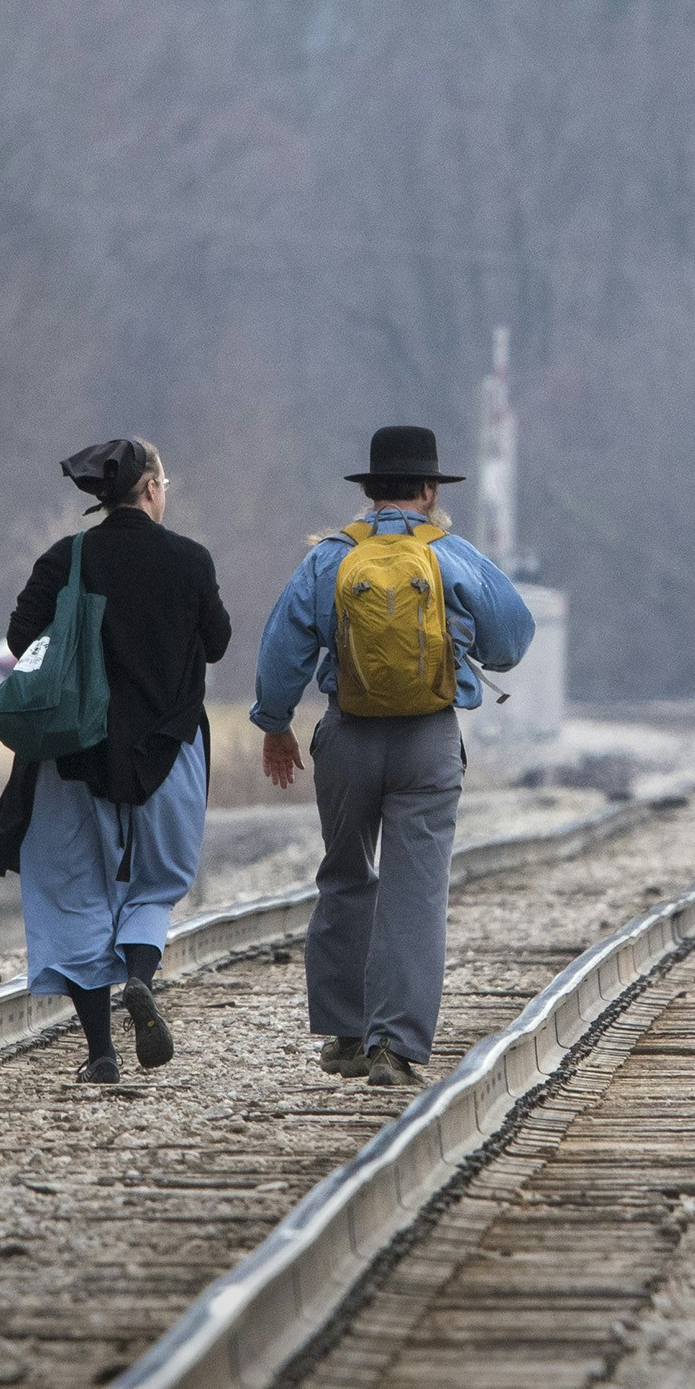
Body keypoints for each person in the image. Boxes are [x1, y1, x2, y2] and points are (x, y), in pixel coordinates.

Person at [252, 425, 534, 1089]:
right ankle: (395, 1046)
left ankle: (347, 1035)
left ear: (370, 490)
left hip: (348, 733)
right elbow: (514, 636)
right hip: (428, 740)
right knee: (415, 891)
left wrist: (274, 724)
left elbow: (281, 650)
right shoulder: (453, 555)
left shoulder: (329, 558)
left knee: (346, 873)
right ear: (430, 491)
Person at [0, 438, 232, 1084]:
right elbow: (219, 643)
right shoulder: (189, 559)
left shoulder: (66, 557)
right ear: (150, 487)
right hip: (168, 752)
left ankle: (101, 1051)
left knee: (75, 896)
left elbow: (20, 638)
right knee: (154, 885)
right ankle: (141, 981)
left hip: (74, 754)